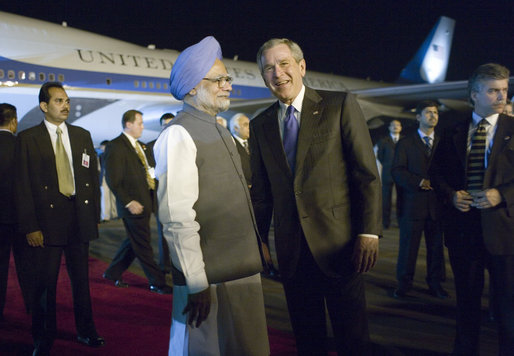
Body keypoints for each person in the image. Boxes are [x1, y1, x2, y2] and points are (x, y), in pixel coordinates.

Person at [250, 38, 381, 355]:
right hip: (292, 253)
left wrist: (369, 232)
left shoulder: (339, 105)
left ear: (301, 67)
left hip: (341, 246)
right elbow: (263, 193)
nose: (277, 74)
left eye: (283, 64)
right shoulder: (260, 125)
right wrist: (259, 240)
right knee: (308, 340)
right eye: (268, 68)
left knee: (353, 340)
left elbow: (366, 174)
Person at [153, 36, 269, 355]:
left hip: (242, 270)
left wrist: (257, 244)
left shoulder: (218, 128)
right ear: (192, 87)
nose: (227, 85)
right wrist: (195, 282)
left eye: (227, 79)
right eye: (218, 79)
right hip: (208, 279)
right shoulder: (178, 134)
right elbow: (177, 218)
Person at [14, 82, 104, 354]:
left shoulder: (82, 135)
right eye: (58, 101)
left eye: (66, 100)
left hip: (78, 219)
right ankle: (43, 340)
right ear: (44, 106)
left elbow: (90, 177)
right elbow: (22, 186)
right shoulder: (28, 138)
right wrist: (30, 226)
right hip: (46, 223)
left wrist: (93, 215)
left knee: (81, 283)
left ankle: (87, 331)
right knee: (45, 286)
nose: (65, 105)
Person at [431, 63, 514, 355]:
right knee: (466, 306)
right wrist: (451, 195)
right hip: (463, 233)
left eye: (504, 90)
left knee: (508, 310)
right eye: (493, 91)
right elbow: (436, 174)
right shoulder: (453, 129)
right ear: (474, 94)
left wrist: (501, 195)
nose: (501, 97)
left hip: (504, 234)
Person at [102, 110, 171, 294]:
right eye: (139, 123)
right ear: (128, 124)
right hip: (132, 204)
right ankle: (157, 282)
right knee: (143, 243)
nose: (142, 126)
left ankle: (112, 272)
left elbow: (150, 171)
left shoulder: (141, 146)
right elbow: (113, 179)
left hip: (147, 201)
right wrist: (127, 201)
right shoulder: (116, 146)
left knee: (134, 241)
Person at [391, 100, 447, 299]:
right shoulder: (406, 143)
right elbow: (397, 171)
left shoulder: (443, 142)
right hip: (412, 205)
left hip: (436, 206)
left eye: (435, 113)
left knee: (436, 249)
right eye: (428, 112)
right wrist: (418, 181)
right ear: (418, 117)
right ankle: (404, 284)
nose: (433, 116)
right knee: (408, 248)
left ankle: (435, 284)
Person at [0, 103, 33, 319]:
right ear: (14, 122)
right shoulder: (23, 146)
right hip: (22, 219)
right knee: (28, 270)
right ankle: (33, 309)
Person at [148, 112, 175, 274]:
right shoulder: (152, 145)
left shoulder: (181, 143)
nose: (168, 127)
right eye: (165, 125)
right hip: (160, 194)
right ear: (161, 126)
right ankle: (165, 265)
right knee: (164, 231)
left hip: (179, 192)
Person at [376, 120, 402, 228]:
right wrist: (388, 165)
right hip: (387, 174)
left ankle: (401, 222)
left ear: (401, 127)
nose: (395, 127)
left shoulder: (405, 140)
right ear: (389, 127)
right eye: (393, 125)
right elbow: (380, 156)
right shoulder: (383, 141)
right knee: (386, 200)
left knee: (402, 199)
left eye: (397, 125)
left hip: (402, 173)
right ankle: (385, 222)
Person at [229, 113, 252, 186]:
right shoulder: (230, 145)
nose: (249, 127)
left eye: (249, 124)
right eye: (245, 125)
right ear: (235, 128)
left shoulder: (254, 142)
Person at [98, 140, 117, 221]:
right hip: (105, 178)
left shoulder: (110, 155)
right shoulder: (102, 156)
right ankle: (107, 215)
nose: (101, 148)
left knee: (112, 197)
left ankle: (113, 214)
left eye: (102, 146)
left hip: (110, 177)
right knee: (106, 197)